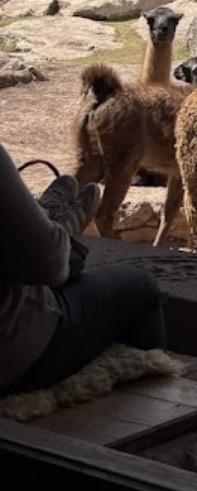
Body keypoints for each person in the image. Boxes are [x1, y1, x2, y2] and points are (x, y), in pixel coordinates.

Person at [0, 144, 166, 396]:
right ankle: (150, 415)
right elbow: (47, 264)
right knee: (141, 288)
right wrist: (56, 236)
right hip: (11, 356)